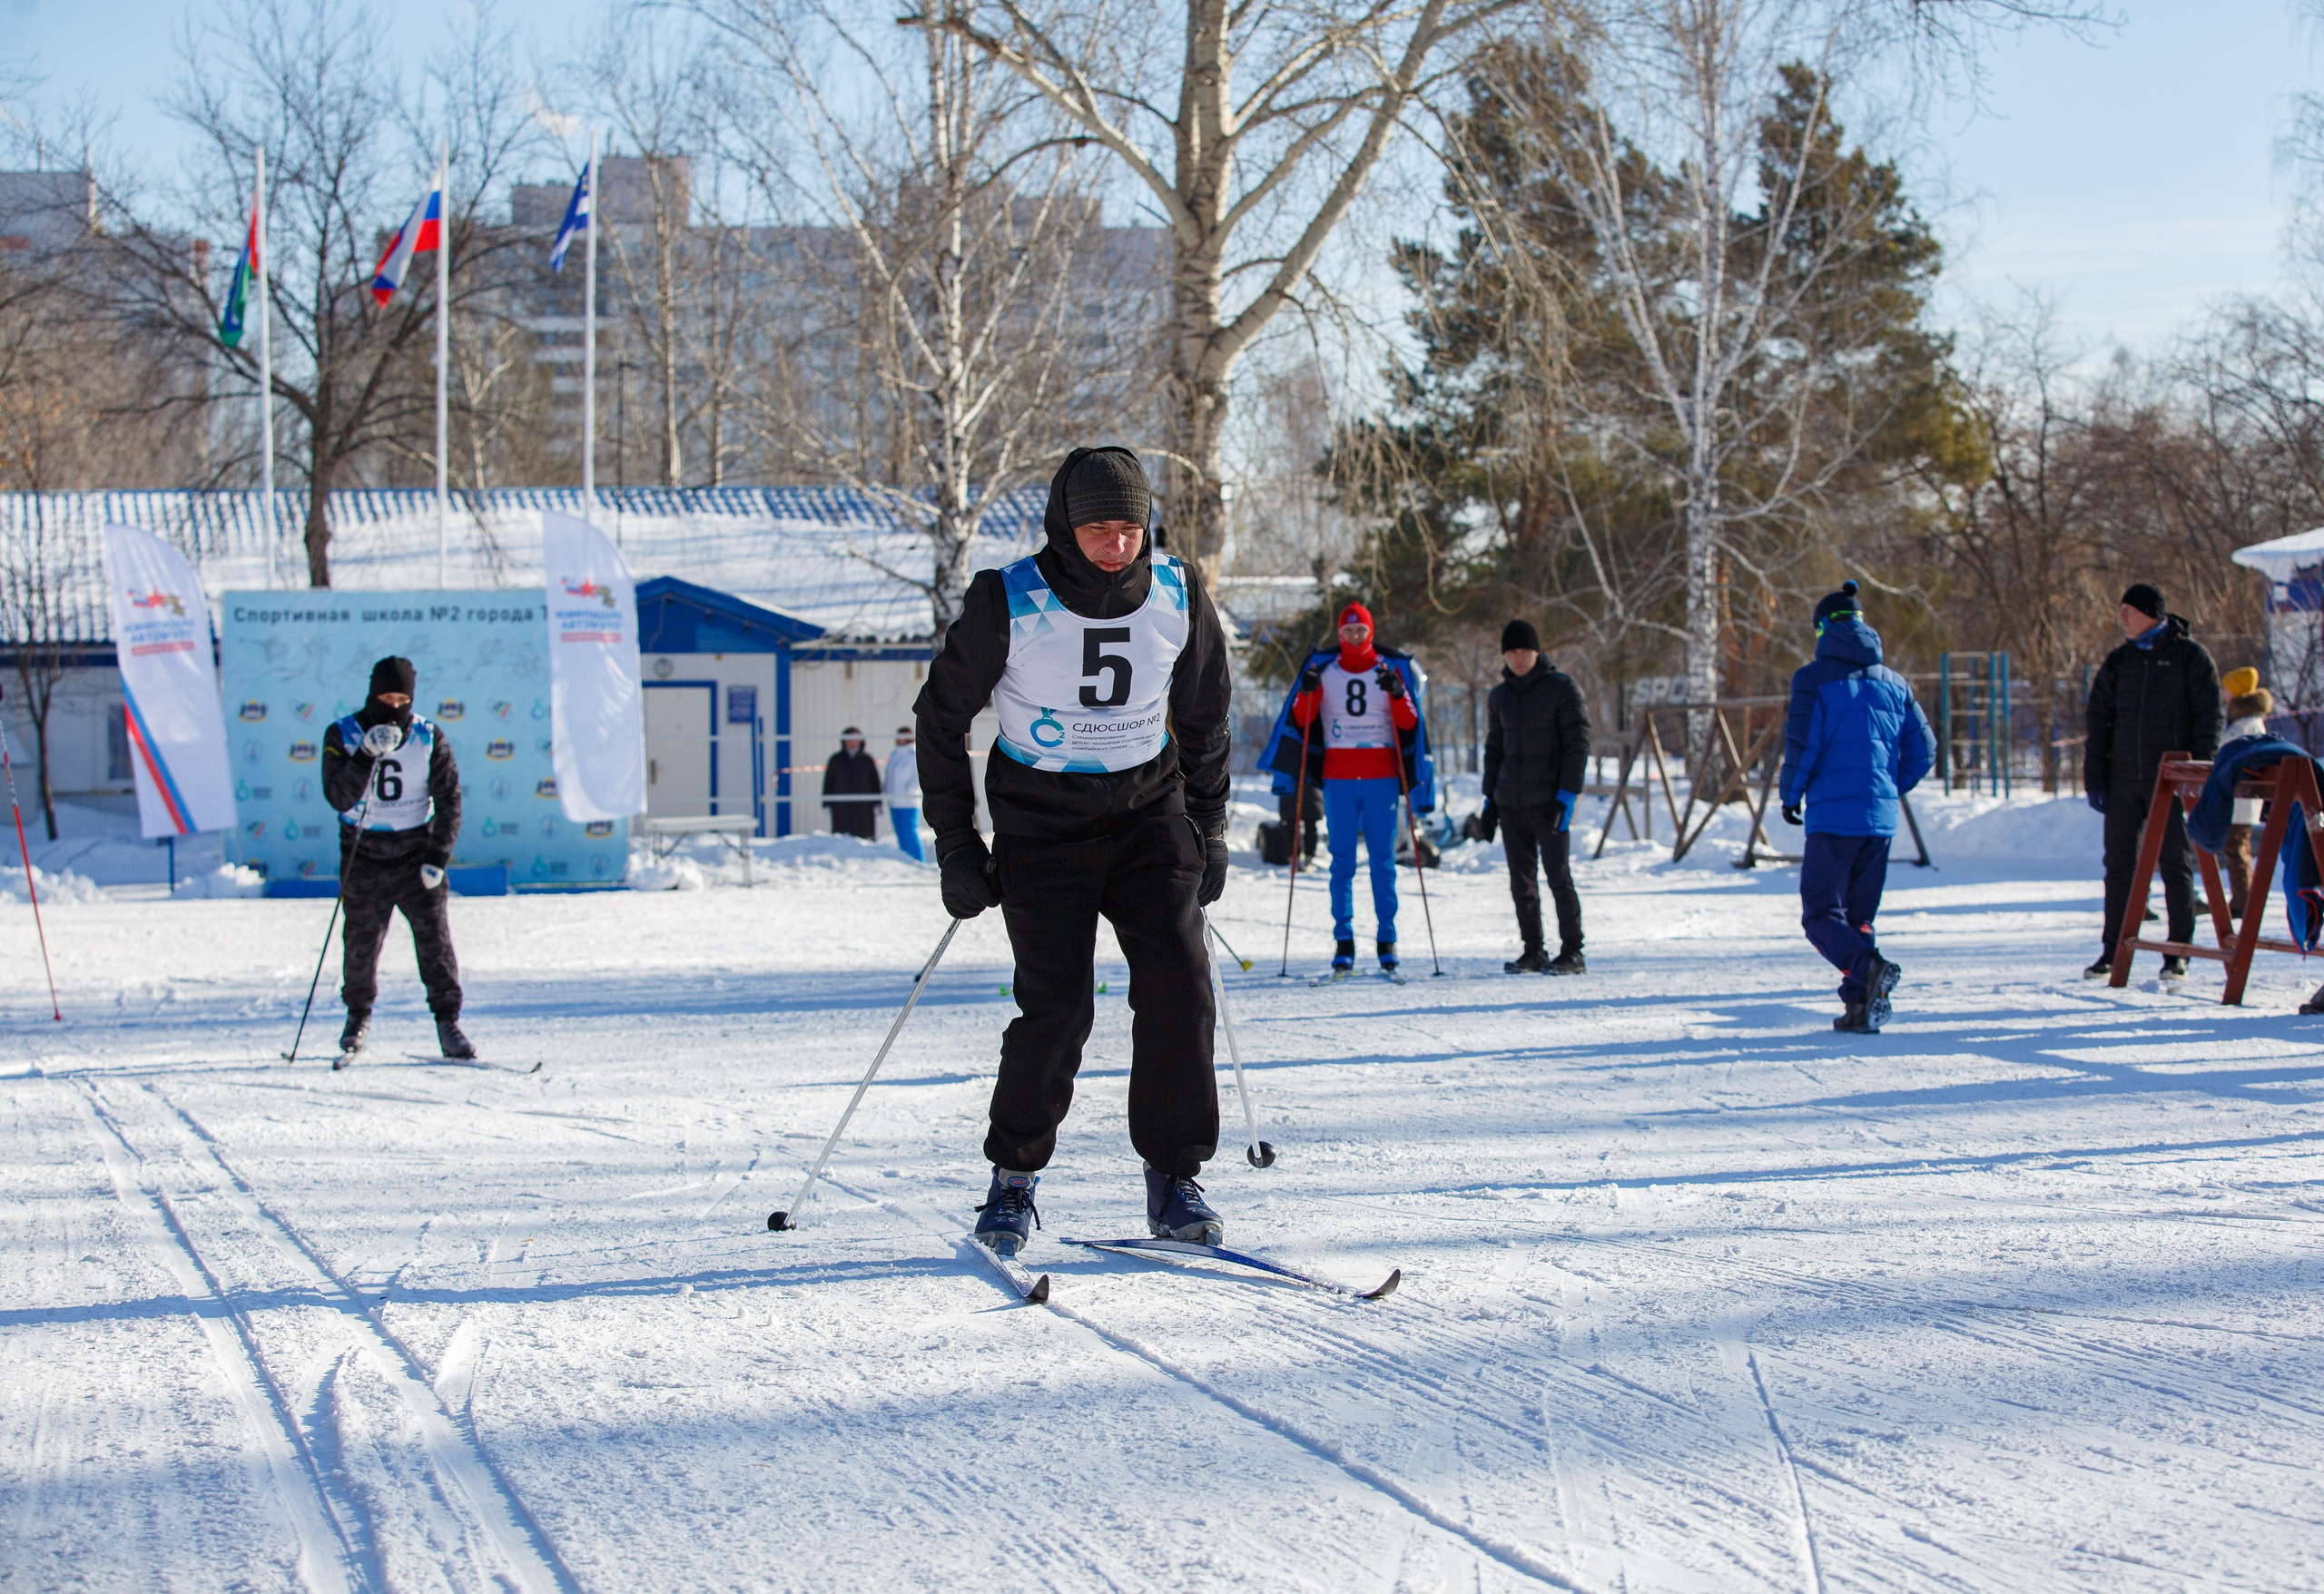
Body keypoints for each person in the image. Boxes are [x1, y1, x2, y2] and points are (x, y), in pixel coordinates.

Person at [915, 446, 1233, 1257]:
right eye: (1098, 530)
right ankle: (1014, 1177)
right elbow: (940, 718)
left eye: (1130, 529)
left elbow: (1205, 714)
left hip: (1148, 816)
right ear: (1064, 525)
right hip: (1043, 824)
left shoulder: (1177, 591)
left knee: (1181, 987)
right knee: (1058, 1007)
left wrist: (1210, 824)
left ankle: (1174, 1175)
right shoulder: (1009, 597)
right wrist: (957, 842)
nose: (1116, 546)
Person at [1778, 581, 1935, 1034]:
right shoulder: (1896, 684)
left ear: (1823, 630)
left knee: (1820, 915)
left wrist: (1790, 796)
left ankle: (1868, 969)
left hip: (1832, 819)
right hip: (1879, 822)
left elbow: (1802, 746)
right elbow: (1925, 751)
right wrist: (1887, 787)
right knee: (1859, 918)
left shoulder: (1813, 679)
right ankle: (1860, 1006)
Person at [320, 655, 471, 1060]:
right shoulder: (342, 734)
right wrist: (365, 754)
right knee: (360, 944)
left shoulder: (428, 736)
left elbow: (450, 800)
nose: (394, 706)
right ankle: (357, 1018)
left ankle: (448, 1022)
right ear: (373, 694)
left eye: (402, 699)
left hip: (416, 855)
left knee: (435, 942)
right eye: (387, 698)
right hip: (363, 855)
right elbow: (338, 797)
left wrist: (437, 857)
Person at [1279, 602, 1433, 976]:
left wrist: (1397, 691)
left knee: (1383, 861)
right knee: (1342, 862)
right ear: (1340, 633)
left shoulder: (1387, 670)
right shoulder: (1325, 670)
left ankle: (1387, 940)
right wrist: (1306, 691)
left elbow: (1410, 721)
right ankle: (1343, 941)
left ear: (1370, 631)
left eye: (1360, 629)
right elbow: (1300, 717)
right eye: (1347, 630)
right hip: (1339, 778)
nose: (1354, 636)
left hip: (1382, 777)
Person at [2083, 582, 2222, 980]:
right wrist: (2096, 778)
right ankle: (2112, 951)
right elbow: (2099, 722)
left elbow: (2209, 717)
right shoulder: (2119, 661)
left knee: (2175, 863)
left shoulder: (2190, 657)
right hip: (2124, 778)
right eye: (2121, 609)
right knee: (2118, 865)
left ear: (2151, 613)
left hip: (2173, 779)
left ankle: (2178, 952)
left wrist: (2197, 771)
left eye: (2129, 610)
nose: (2122, 617)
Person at [1483, 619, 1591, 975]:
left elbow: (1578, 745)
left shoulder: (1562, 689)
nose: (1518, 658)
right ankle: (1533, 950)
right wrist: (1489, 800)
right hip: (1510, 804)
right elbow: (1494, 749)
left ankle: (1572, 951)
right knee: (1521, 882)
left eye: (1524, 651)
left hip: (1549, 802)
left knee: (1558, 877)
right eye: (1512, 652)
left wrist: (1568, 794)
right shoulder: (1499, 697)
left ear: (1537, 652)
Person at [2217, 668, 2270, 919]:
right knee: (2237, 845)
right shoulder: (2242, 720)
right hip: (2239, 793)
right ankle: (2243, 899)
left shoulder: (2246, 723)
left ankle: (2243, 901)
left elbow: (2223, 746)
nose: (2223, 693)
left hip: (2242, 793)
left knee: (2235, 845)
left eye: (2227, 688)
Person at [822, 727, 881, 840]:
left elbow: (875, 781)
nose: (851, 742)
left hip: (863, 808)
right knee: (841, 838)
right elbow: (828, 782)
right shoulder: (836, 759)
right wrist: (827, 803)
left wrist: (877, 802)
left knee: (863, 838)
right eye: (848, 739)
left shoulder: (867, 759)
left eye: (854, 739)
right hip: (841, 808)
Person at [883, 726, 925, 861]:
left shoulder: (914, 754)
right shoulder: (894, 754)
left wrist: (910, 789)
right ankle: (907, 860)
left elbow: (921, 775)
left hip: (908, 801)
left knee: (909, 833)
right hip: (894, 801)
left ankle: (918, 860)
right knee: (900, 834)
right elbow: (890, 775)